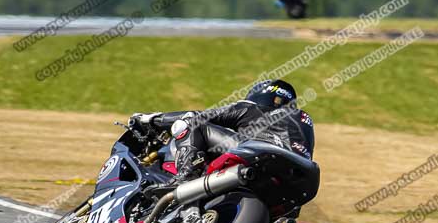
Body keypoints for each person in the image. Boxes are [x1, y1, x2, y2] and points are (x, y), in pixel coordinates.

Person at [129, 79, 315, 186]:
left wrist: (150, 119)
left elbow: (196, 116)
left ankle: (186, 176)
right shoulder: (305, 119)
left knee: (196, 125)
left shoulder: (251, 107)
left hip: (262, 154)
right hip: (300, 176)